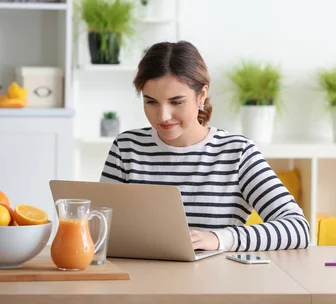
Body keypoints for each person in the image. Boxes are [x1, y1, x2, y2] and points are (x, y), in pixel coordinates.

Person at [100, 40, 310, 252]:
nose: (163, 116)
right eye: (151, 102)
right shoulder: (126, 148)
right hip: (138, 281)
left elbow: (298, 229)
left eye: (176, 102)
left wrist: (221, 239)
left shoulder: (237, 153)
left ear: (201, 95)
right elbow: (98, 227)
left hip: (214, 284)